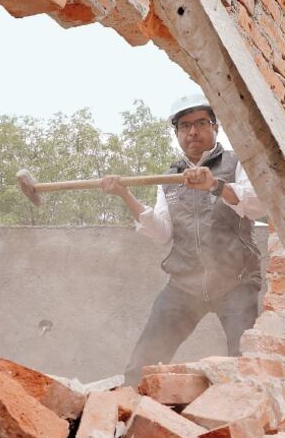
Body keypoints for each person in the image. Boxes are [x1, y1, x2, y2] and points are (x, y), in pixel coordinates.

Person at [102, 94, 265, 385]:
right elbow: (163, 233)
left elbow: (256, 206)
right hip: (185, 283)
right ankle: (128, 407)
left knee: (245, 366)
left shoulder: (236, 163)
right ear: (177, 133)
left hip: (235, 281)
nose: (193, 132)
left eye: (201, 123)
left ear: (215, 127)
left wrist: (215, 185)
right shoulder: (170, 179)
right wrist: (125, 195)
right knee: (141, 365)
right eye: (185, 126)